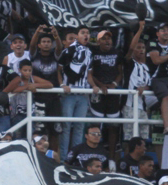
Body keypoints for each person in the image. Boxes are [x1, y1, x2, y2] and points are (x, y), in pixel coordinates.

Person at [58, 25, 93, 159]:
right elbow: (59, 69)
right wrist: (62, 84)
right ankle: (63, 159)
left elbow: (89, 74)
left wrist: (94, 86)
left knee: (79, 127)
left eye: (88, 33)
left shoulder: (89, 52)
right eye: (83, 32)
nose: (86, 35)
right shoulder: (68, 51)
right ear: (77, 35)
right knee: (66, 127)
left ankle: (75, 158)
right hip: (69, 95)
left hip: (83, 94)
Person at [88, 30, 122, 161]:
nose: (107, 41)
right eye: (104, 38)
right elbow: (90, 72)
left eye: (109, 38)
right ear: (98, 41)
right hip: (98, 91)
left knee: (113, 126)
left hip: (113, 92)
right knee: (96, 125)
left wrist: (113, 84)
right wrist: (100, 85)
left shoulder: (117, 52)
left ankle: (112, 159)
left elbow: (120, 72)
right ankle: (95, 155)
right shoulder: (93, 53)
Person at [2, 59, 53, 138]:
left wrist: (35, 85)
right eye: (25, 70)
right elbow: (13, 90)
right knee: (16, 136)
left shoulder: (33, 79)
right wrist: (27, 87)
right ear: (20, 70)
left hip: (30, 112)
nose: (27, 73)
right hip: (17, 113)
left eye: (30, 70)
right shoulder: (17, 79)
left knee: (29, 135)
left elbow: (50, 84)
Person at [122, 21, 154, 143]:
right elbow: (130, 49)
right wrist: (140, 30)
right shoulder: (129, 63)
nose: (141, 50)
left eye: (143, 48)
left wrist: (144, 89)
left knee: (143, 139)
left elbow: (150, 85)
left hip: (143, 108)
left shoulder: (147, 67)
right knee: (129, 139)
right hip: (130, 105)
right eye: (138, 47)